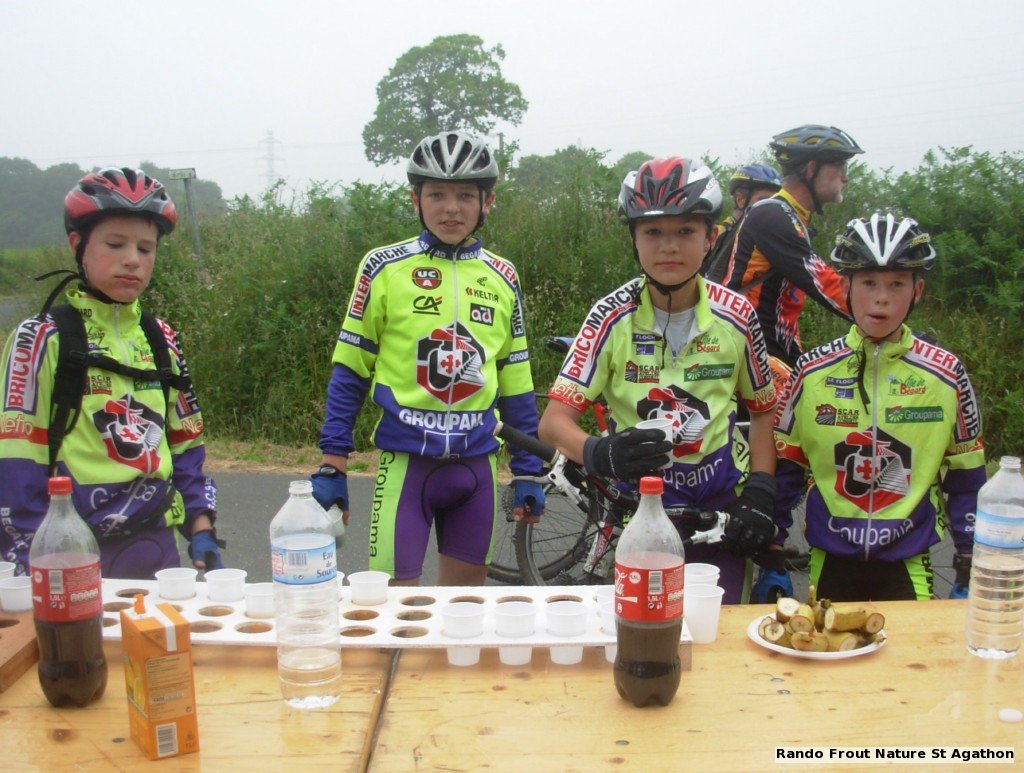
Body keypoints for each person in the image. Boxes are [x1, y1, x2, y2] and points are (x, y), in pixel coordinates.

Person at [538, 157, 780, 604]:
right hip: (641, 516)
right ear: (634, 240)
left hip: (719, 514)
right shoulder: (610, 317)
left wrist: (761, 493)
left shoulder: (738, 316)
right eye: (653, 232)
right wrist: (599, 452)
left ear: (710, 238)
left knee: (715, 635)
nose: (669, 246)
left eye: (685, 231)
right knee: (644, 631)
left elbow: (764, 412)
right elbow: (553, 423)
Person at [312, 130, 545, 587]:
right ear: (415, 199)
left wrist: (528, 470)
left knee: (464, 611)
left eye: (465, 196)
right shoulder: (382, 267)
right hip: (406, 465)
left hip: (477, 467)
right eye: (437, 194)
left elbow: (515, 379)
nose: (451, 208)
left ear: (488, 201)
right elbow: (351, 368)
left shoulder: (503, 275)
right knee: (394, 611)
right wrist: (332, 460)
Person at [0, 168, 221, 579]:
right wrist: (31, 560)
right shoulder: (41, 338)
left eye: (146, 248)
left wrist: (201, 526)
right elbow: (16, 463)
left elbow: (185, 443)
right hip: (71, 552)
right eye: (115, 244)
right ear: (78, 245)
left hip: (157, 547)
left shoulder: (160, 337)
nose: (133, 259)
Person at [774, 213, 985, 601]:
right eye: (869, 282)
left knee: (914, 644)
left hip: (908, 557)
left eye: (896, 284)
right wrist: (772, 548)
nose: (882, 297)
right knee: (826, 642)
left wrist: (970, 558)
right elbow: (787, 467)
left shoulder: (947, 374)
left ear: (918, 291)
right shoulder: (810, 370)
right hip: (831, 555)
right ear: (846, 287)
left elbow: (967, 476)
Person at [719, 125, 863, 370]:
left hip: (772, 347)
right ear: (811, 168)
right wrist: (884, 315)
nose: (845, 177)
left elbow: (783, 305)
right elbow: (825, 284)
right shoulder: (772, 216)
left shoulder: (791, 216)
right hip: (750, 350)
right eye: (840, 166)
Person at [703, 164, 782, 281]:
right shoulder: (719, 235)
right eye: (763, 201)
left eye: (776, 201)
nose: (770, 207)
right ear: (740, 199)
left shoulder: (777, 237)